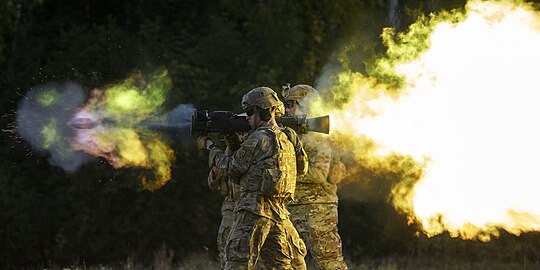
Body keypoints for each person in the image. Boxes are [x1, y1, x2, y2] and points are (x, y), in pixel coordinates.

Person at [197, 86, 308, 270]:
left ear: (264, 111)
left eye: (250, 112)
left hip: (253, 209)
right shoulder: (287, 137)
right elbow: (302, 169)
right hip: (277, 213)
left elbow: (232, 168)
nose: (247, 118)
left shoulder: (258, 139)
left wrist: (210, 146)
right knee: (282, 266)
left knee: (237, 263)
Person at [282, 84, 348, 270]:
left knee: (329, 263)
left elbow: (318, 174)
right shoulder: (296, 135)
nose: (287, 109)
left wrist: (286, 173)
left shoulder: (318, 136)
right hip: (293, 207)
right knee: (291, 263)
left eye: (291, 104)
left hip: (318, 210)